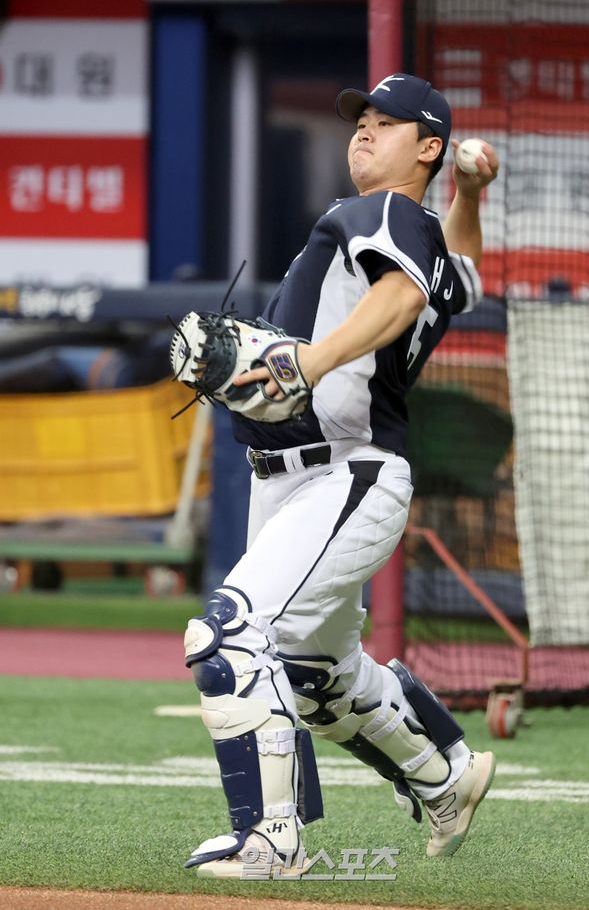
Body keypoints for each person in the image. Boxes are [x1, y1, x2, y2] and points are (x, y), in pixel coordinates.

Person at [183, 72, 500, 878]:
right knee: (316, 677)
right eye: (361, 118)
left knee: (228, 634)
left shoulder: (384, 214)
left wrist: (312, 359)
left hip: (344, 473)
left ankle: (270, 840)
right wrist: (469, 194)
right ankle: (445, 773)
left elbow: (403, 295)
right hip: (292, 479)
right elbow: (462, 274)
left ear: (426, 147)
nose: (364, 128)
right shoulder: (415, 227)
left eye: (386, 122)